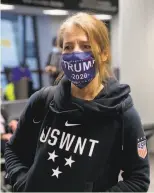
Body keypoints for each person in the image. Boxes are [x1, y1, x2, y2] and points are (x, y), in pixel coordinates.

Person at [4, 13, 150, 192]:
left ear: (103, 54)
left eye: (86, 46)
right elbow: (14, 151)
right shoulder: (42, 101)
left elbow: (138, 179)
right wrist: (22, 183)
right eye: (68, 47)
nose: (76, 54)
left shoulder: (122, 114)